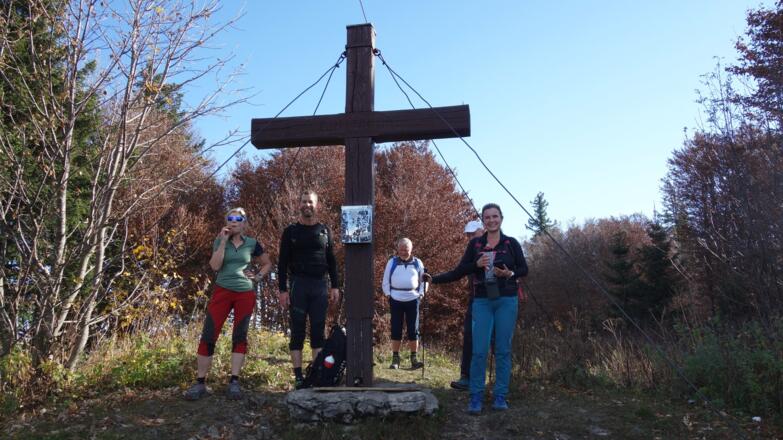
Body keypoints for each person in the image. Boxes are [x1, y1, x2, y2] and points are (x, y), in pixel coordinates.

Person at [424, 203, 527, 414]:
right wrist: (434, 279)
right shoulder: (475, 245)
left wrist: (509, 274)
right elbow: (460, 270)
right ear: (483, 220)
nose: (491, 220)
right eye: (487, 217)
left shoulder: (511, 244)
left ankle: (500, 396)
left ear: (501, 218)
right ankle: (476, 396)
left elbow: (523, 269)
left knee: (502, 350)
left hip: (506, 300)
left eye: (495, 216)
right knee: (479, 351)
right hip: (482, 301)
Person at [184, 208, 272, 400]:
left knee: (239, 335)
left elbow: (267, 263)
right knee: (209, 333)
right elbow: (215, 266)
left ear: (244, 222)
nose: (234, 221)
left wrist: (257, 277)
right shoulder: (219, 240)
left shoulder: (252, 243)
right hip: (222, 290)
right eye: (230, 218)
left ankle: (234, 382)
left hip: (245, 292)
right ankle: (200, 383)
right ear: (227, 221)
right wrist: (223, 241)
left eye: (238, 218)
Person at [277, 190, 340, 389]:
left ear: (316, 205)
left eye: (310, 202)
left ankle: (316, 374)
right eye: (304, 202)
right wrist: (282, 290)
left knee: (318, 331)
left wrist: (335, 286)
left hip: (320, 285)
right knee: (297, 331)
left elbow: (332, 261)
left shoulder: (325, 231)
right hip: (298, 285)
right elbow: (282, 263)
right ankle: (298, 376)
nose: (307, 205)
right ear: (299, 205)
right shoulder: (290, 231)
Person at [449, 220, 485, 390]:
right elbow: (459, 271)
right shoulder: (472, 248)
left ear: (482, 230)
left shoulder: (499, 244)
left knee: (496, 340)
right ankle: (466, 377)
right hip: (475, 298)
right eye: (468, 235)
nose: (470, 237)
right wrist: (435, 279)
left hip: (497, 299)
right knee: (469, 336)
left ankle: (497, 380)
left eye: (473, 233)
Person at [381, 238, 426, 370]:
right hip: (395, 298)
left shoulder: (418, 262)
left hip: (413, 298)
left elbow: (424, 280)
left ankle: (414, 358)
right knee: (396, 328)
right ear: (398, 249)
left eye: (406, 249)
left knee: (414, 329)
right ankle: (395, 359)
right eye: (401, 249)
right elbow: (385, 280)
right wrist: (388, 294)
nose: (403, 252)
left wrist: (422, 294)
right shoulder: (392, 262)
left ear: (411, 249)